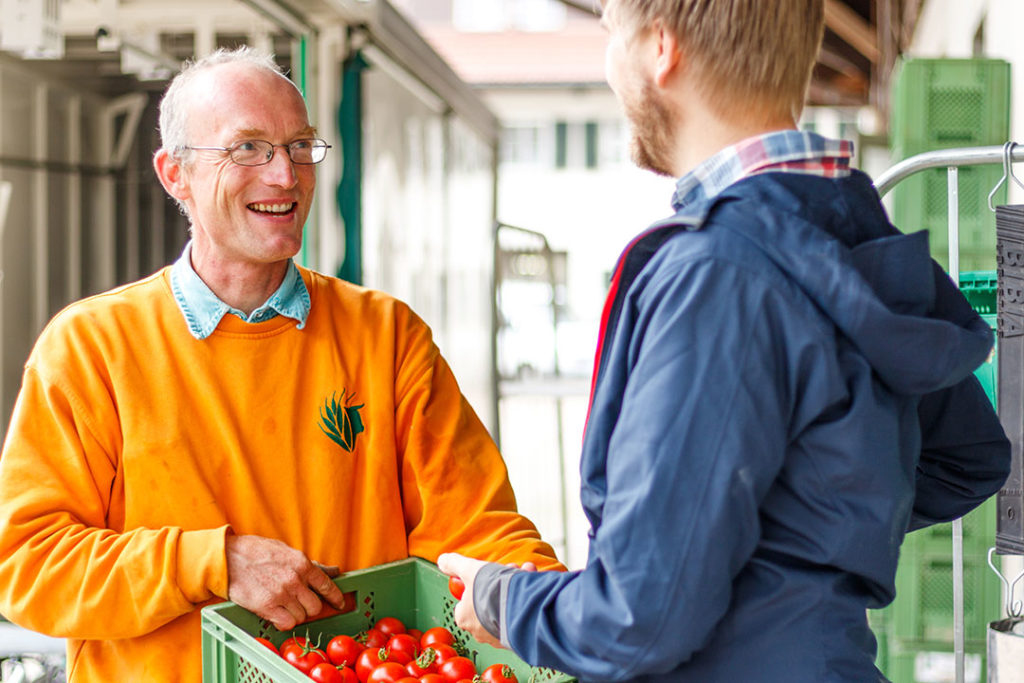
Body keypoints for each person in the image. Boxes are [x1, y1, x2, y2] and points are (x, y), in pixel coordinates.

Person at [439, 0, 1011, 680]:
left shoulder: (718, 273)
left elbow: (638, 614)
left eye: (610, 35)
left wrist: (506, 599)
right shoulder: (851, 233)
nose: (610, 63)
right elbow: (968, 456)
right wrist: (786, 530)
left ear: (659, 47)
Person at [0, 47, 560, 683]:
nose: (285, 175)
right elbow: (27, 565)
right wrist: (213, 561)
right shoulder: (89, 348)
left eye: (300, 146)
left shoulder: (386, 337)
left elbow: (478, 531)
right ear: (174, 173)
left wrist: (562, 609)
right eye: (248, 148)